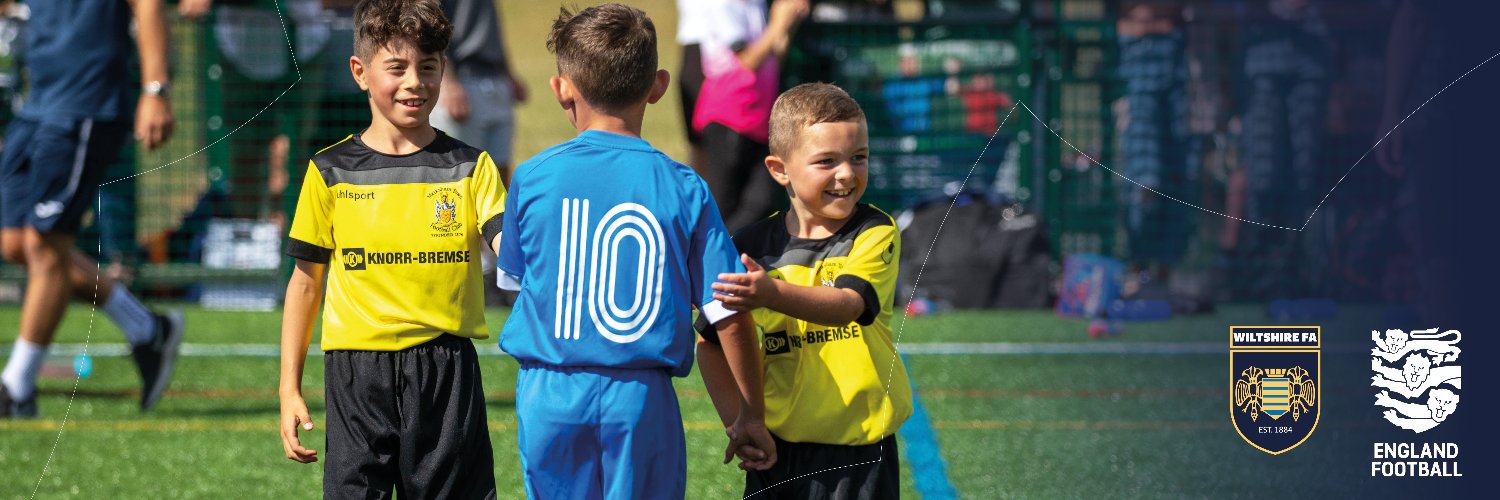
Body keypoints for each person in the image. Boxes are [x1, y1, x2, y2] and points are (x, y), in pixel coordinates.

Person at [494, 5, 775, 498]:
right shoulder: (685, 185)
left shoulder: (531, 177)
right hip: (641, 399)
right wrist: (748, 414)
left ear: (561, 88)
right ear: (659, 85)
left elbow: (516, 281)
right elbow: (727, 310)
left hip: (549, 396)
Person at [275, 1, 504, 497]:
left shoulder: (469, 167)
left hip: (447, 368)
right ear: (360, 72)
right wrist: (288, 387)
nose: (414, 82)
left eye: (428, 67)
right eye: (396, 67)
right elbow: (305, 282)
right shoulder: (330, 171)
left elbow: (510, 248)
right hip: (358, 372)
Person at [700, 82, 913, 499]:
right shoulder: (749, 247)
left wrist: (772, 295)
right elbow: (710, 344)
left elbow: (849, 305)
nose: (847, 173)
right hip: (778, 452)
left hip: (860, 454)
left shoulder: (873, 231)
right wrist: (743, 422)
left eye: (859, 157)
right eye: (827, 161)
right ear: (780, 169)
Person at [0, 0, 183, 418]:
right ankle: (147, 328)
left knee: (46, 244)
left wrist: (156, 89)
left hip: (85, 103)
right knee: (15, 244)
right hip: (36, 105)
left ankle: (16, 389)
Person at [430, 0, 528, 306]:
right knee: (461, 183)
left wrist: (507, 71)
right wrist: (448, 81)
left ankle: (501, 273)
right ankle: (472, 274)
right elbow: (429, 22)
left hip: (492, 76)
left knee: (499, 179)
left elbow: (490, 23)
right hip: (461, 78)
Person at [694, 0, 808, 232]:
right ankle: (709, 256)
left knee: (762, 200)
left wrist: (787, 23)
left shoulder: (756, 5)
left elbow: (774, 54)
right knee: (723, 201)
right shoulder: (724, 5)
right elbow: (747, 60)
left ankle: (730, 251)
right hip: (729, 115)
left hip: (757, 117)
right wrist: (778, 24)